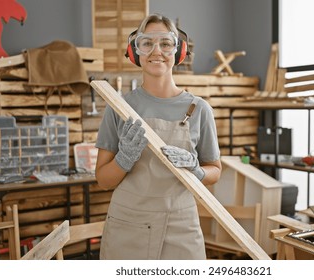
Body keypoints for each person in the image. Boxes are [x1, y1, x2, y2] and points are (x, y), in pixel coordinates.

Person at [95, 13, 222, 260]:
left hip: (181, 225)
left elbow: (215, 171)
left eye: (165, 43)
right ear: (136, 52)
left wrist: (197, 171)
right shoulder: (119, 107)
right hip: (128, 224)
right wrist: (123, 160)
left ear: (178, 51)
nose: (157, 51)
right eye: (147, 43)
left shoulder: (199, 109)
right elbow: (103, 180)